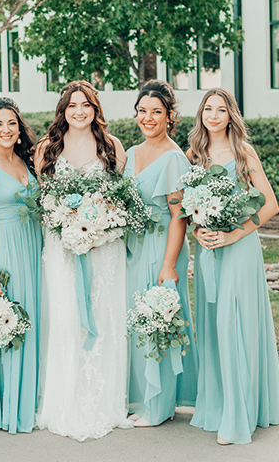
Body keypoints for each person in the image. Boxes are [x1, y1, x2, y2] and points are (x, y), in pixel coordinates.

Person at [35, 80, 132, 441]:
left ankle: (103, 401)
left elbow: (120, 199)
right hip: (61, 247)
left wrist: (99, 231)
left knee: (103, 315)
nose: (79, 111)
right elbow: (43, 199)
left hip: (103, 249)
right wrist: (69, 227)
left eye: (86, 105)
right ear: (63, 110)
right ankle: (64, 400)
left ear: (95, 109)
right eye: (73, 105)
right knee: (66, 317)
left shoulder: (112, 146)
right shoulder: (47, 147)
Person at [188, 88, 279, 445]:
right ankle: (218, 406)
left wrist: (233, 235)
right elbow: (187, 207)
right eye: (208, 109)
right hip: (210, 250)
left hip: (240, 248)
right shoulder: (193, 156)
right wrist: (198, 231)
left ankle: (239, 417)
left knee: (233, 324)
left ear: (230, 115)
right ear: (201, 114)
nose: (213, 115)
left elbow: (270, 205)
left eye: (220, 109)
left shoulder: (244, 152)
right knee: (213, 326)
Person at [124, 79, 198, 427]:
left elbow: (178, 217)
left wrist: (169, 265)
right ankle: (142, 397)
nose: (148, 118)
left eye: (156, 112)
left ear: (170, 116)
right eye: (143, 111)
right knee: (139, 322)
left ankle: (159, 404)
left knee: (158, 321)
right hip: (134, 247)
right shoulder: (131, 153)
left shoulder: (174, 159)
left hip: (161, 247)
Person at [0, 97, 42, 434]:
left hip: (32, 245)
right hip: (6, 250)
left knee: (34, 318)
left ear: (19, 129)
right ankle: (8, 405)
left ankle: (31, 398)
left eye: (11, 123)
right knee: (10, 321)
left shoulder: (23, 160)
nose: (5, 129)